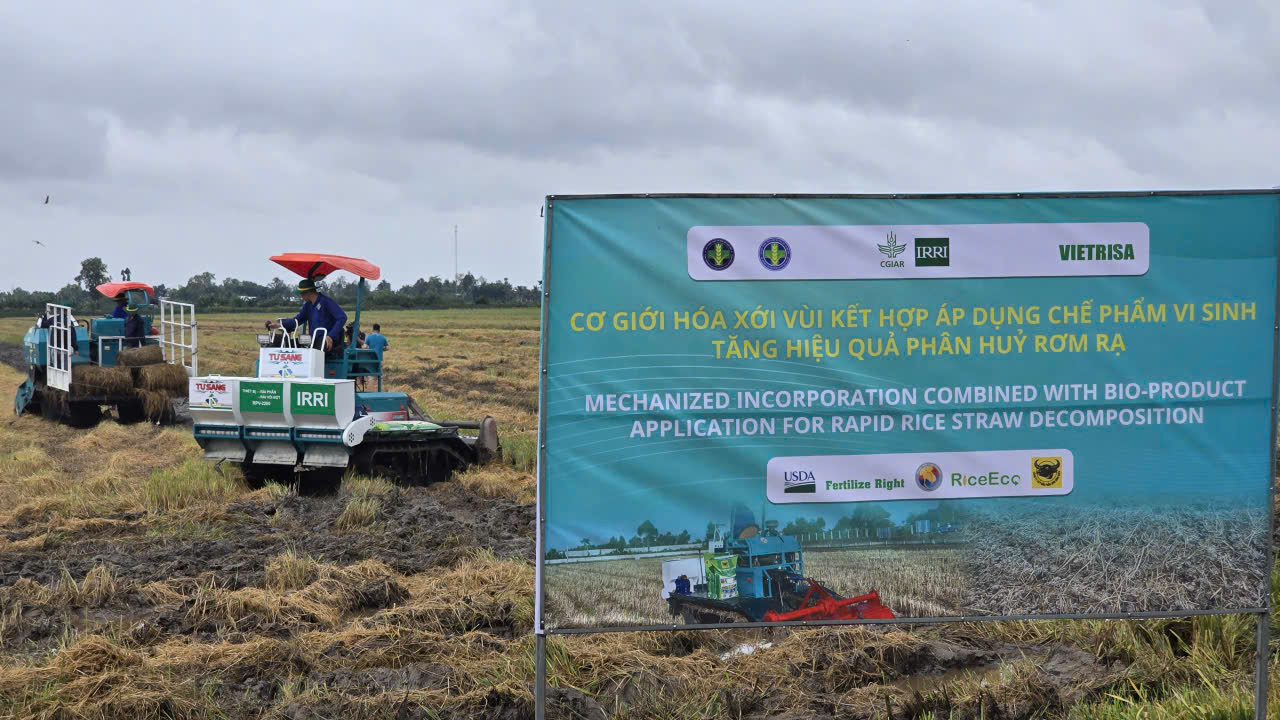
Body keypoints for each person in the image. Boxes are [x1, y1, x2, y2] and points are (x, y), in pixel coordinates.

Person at [264, 277, 347, 357]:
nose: (301, 296)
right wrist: (280, 325)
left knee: (317, 346)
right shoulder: (308, 306)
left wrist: (330, 336)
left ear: (308, 292)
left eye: (301, 293)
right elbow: (297, 320)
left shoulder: (326, 302)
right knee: (279, 341)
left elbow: (342, 317)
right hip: (312, 340)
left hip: (325, 340)